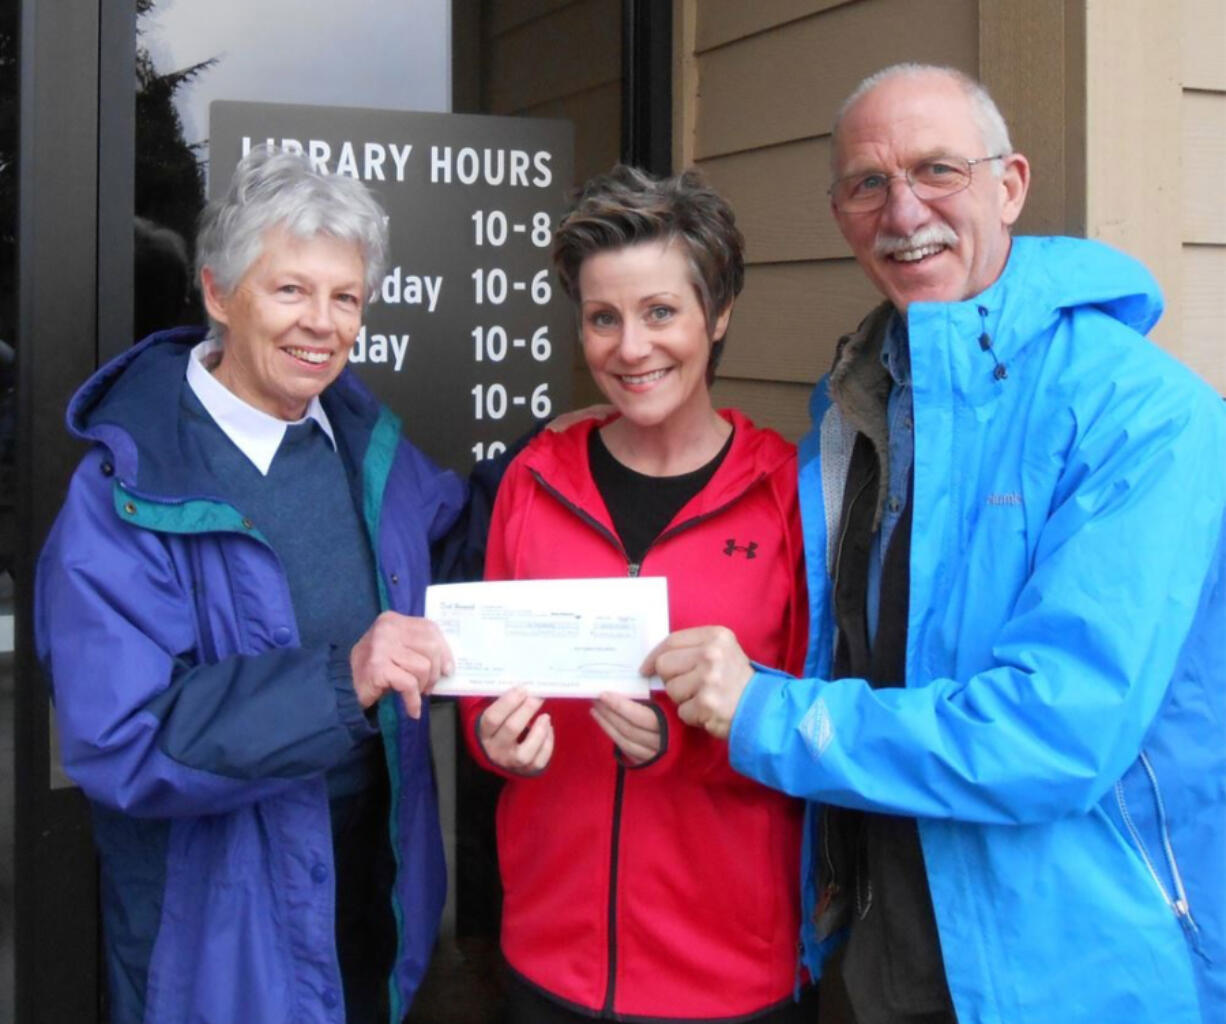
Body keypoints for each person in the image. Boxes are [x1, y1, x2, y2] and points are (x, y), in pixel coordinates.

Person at [647, 63, 1226, 1024]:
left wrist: (767, 715)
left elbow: (1055, 734)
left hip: (1073, 968)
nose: (903, 209)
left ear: (1011, 184)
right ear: (838, 213)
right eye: (867, 184)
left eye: (938, 170)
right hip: (882, 946)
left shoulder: (1144, 415)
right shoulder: (862, 400)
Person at [36, 147, 466, 1024]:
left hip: (371, 885)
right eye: (291, 290)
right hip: (220, 924)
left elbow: (461, 542)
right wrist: (337, 682)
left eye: (345, 297)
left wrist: (581, 449)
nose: (323, 322)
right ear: (217, 293)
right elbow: (122, 735)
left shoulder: (365, 441)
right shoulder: (127, 490)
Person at [459, 165, 815, 1023]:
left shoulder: (790, 497)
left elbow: (823, 723)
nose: (630, 347)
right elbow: (485, 686)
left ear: (717, 315)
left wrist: (685, 743)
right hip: (549, 957)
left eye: (661, 312)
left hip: (730, 971)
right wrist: (493, 739)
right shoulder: (532, 480)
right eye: (602, 318)